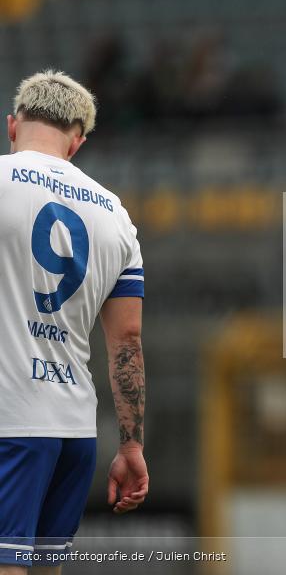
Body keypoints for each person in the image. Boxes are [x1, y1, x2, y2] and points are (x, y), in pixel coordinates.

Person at [0, 71, 148, 575]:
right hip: (73, 432)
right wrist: (130, 444)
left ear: (12, 126)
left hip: (9, 420)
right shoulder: (115, 215)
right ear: (77, 141)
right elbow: (127, 340)